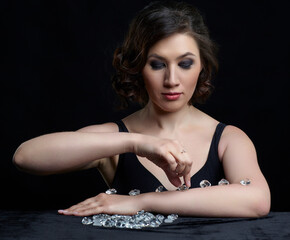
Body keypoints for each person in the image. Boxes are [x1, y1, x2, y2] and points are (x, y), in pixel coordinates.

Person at [13, 0, 270, 218]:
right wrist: (137, 143)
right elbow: (25, 157)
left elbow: (258, 200)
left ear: (202, 66)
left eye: (185, 64)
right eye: (157, 65)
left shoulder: (228, 138)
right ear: (138, 67)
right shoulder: (119, 137)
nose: (171, 80)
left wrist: (139, 202)